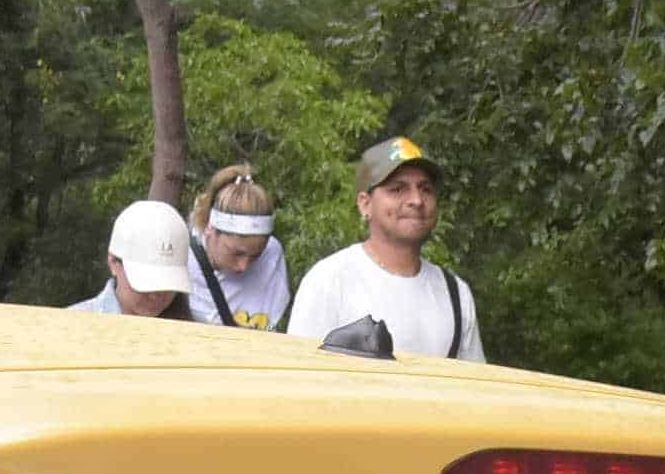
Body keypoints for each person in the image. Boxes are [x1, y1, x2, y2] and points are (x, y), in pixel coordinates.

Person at [288, 137, 483, 360]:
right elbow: (298, 376)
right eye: (398, 189)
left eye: (425, 189)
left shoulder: (455, 293)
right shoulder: (330, 280)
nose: (416, 200)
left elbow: (476, 387)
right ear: (365, 204)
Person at [186, 167, 292, 329]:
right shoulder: (184, 261)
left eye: (256, 255)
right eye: (236, 253)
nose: (244, 266)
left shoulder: (271, 255)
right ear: (211, 229)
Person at [74, 198, 198, 316]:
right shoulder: (72, 325)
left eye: (169, 284)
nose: (156, 295)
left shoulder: (197, 331)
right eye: (147, 282)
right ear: (113, 262)